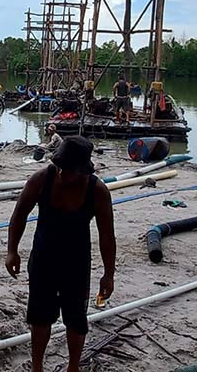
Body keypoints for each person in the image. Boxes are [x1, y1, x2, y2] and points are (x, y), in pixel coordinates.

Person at [6, 136, 115, 372]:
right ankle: (37, 367)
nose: (63, 174)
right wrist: (12, 251)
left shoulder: (97, 191)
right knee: (40, 317)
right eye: (60, 168)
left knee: (76, 319)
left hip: (76, 262)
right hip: (43, 258)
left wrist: (108, 274)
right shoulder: (41, 179)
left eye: (69, 170)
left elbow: (107, 235)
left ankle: (73, 367)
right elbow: (19, 214)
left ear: (83, 171)